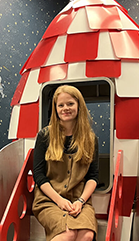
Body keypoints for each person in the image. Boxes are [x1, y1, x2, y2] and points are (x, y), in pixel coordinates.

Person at [32, 85, 99, 241]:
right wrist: (59, 200)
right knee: (67, 234)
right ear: (55, 109)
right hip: (49, 199)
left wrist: (81, 201)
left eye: (70, 104)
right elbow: (39, 175)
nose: (65, 108)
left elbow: (93, 176)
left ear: (79, 106)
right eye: (60, 105)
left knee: (87, 235)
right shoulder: (45, 135)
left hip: (78, 199)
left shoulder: (90, 139)